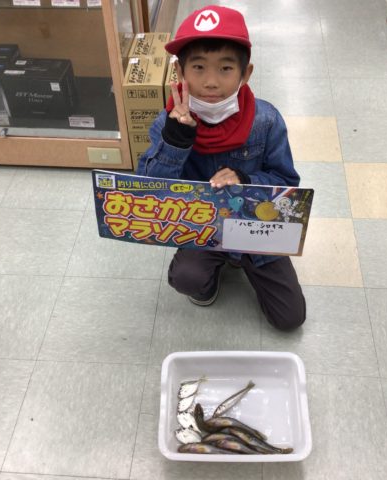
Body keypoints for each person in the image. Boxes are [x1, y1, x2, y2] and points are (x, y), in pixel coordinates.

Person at [136, 5, 306, 331]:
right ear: (180, 72)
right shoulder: (166, 123)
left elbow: (287, 183)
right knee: (187, 278)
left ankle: (242, 260)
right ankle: (210, 278)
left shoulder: (266, 120)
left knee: (290, 318)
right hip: (202, 230)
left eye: (226, 68)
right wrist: (176, 140)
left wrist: (245, 179)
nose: (211, 82)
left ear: (246, 73)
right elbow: (150, 192)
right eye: (198, 67)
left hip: (254, 227)